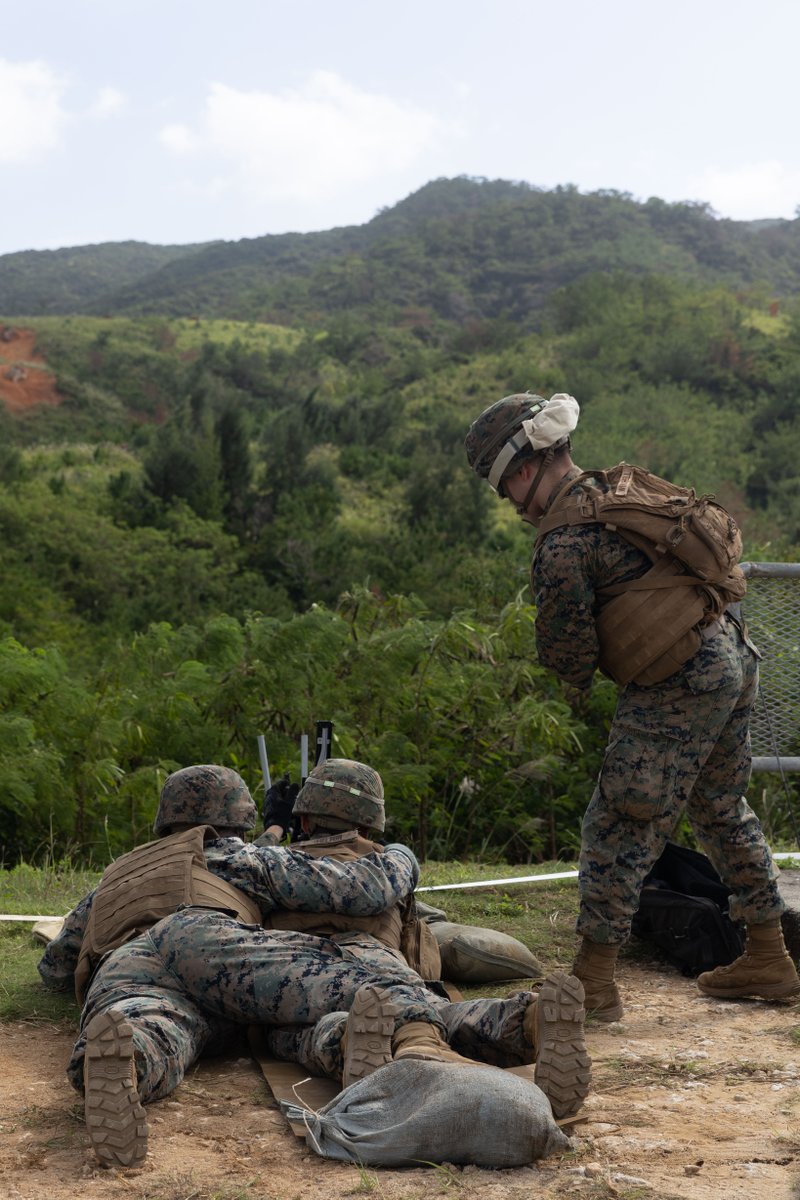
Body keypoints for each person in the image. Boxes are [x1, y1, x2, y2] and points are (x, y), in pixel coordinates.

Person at [40, 760, 590, 1168]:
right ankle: (509, 1022)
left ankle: (126, 1059)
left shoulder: (118, 871)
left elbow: (57, 966)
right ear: (231, 820)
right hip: (202, 939)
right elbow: (353, 888)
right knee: (356, 989)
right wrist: (401, 857)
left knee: (155, 1026)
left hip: (120, 965)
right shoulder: (231, 854)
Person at [464, 390, 800, 1021]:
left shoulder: (563, 542)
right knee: (721, 807)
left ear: (525, 469)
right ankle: (768, 954)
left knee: (621, 818)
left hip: (680, 678)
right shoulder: (614, 490)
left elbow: (568, 657)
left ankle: (593, 981)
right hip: (732, 651)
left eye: (505, 487)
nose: (510, 503)